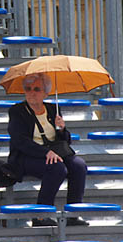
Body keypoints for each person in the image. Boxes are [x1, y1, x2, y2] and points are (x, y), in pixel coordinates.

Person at [6, 73, 89, 227]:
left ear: (46, 93)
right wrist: (45, 153)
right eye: (28, 89)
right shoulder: (17, 111)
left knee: (79, 166)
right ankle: (41, 215)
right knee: (57, 168)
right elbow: (20, 141)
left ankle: (73, 214)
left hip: (54, 152)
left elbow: (66, 141)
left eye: (37, 89)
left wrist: (62, 128)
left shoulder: (52, 109)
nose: (31, 92)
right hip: (27, 156)